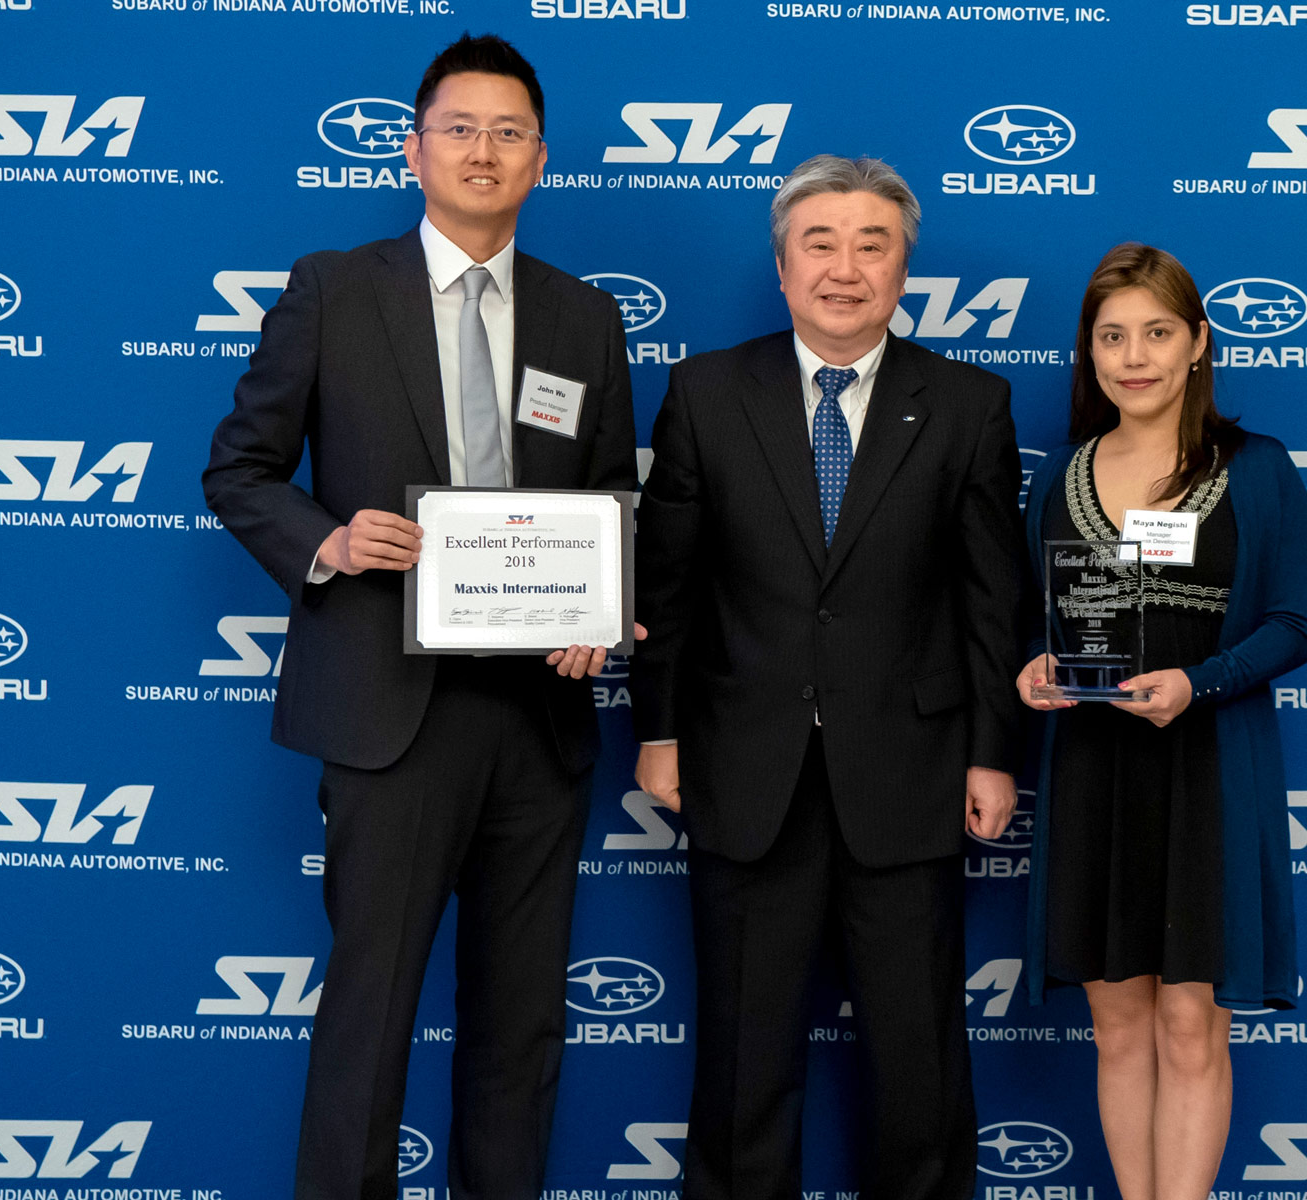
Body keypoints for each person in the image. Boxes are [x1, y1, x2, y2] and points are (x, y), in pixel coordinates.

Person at [202, 34, 637, 1200]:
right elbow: (239, 470)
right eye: (460, 128)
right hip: (387, 714)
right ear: (414, 149)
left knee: (520, 1029)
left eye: (508, 133)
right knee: (370, 1019)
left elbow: (615, 501)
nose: (482, 150)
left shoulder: (586, 320)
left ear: (541, 160)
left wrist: (607, 604)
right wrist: (329, 544)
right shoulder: (335, 289)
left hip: (539, 720)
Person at [630, 154, 1024, 1200]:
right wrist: (658, 731)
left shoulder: (971, 404)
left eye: (872, 244)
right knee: (742, 1060)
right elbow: (667, 585)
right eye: (821, 242)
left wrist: (995, 754)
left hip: (911, 772)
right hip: (743, 768)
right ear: (781, 265)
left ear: (904, 269)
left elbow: (994, 602)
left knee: (918, 1059)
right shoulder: (707, 392)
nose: (845, 268)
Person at [1016, 244, 1307, 1200]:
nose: (1132, 356)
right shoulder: (1061, 472)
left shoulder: (1257, 469)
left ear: (1197, 345)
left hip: (1208, 773)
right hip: (1094, 773)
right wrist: (1039, 670)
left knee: (1191, 1026)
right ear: (1089, 353)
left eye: (1155, 332)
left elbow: (1295, 626)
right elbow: (1051, 621)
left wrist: (1204, 680)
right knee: (1118, 1030)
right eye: (1111, 336)